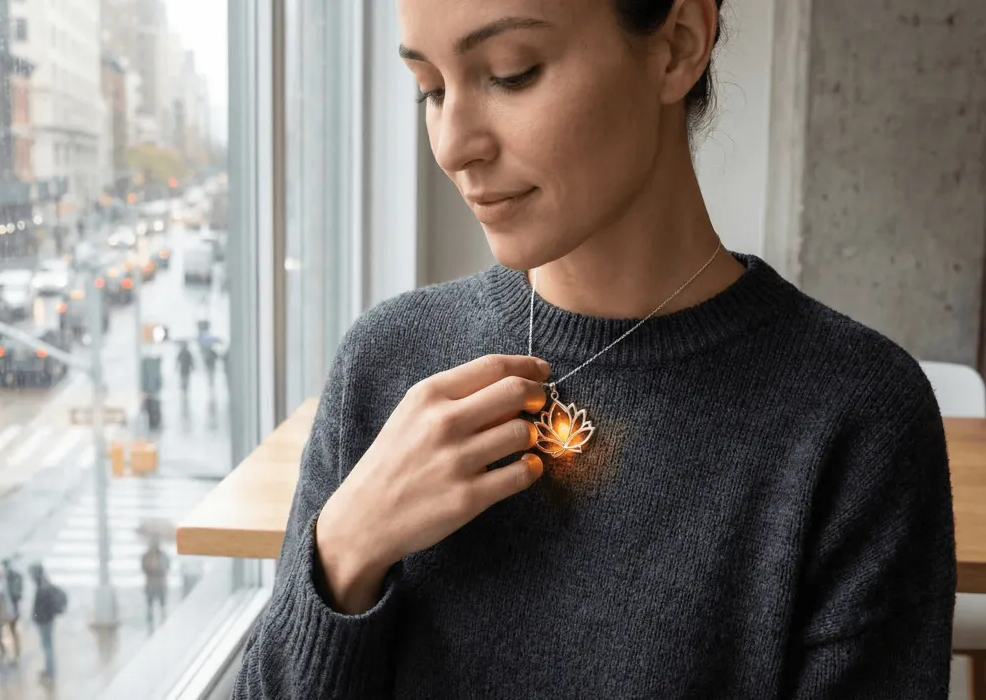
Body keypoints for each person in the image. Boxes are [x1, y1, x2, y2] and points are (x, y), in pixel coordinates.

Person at [232, 1, 955, 698]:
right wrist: (347, 550)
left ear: (677, 45)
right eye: (430, 88)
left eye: (511, 72)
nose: (454, 144)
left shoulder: (854, 418)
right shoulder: (386, 363)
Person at [29, 562, 67, 681]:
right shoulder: (45, 583)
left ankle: (50, 672)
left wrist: (34, 616)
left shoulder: (42, 588)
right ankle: (49, 670)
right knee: (48, 646)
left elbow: (38, 607)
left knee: (47, 647)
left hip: (44, 621)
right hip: (48, 619)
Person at [0, 569, 21, 662]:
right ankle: (13, 653)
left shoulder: (4, 583)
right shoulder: (11, 582)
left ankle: (9, 652)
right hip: (10, 611)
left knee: (4, 631)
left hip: (7, 611)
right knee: (10, 632)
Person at [141, 538, 171, 631]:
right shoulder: (146, 556)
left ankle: (163, 621)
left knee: (162, 605)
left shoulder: (163, 556)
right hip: (150, 584)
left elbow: (167, 567)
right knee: (150, 606)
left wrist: (158, 567)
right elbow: (144, 568)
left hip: (160, 584)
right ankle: (150, 624)